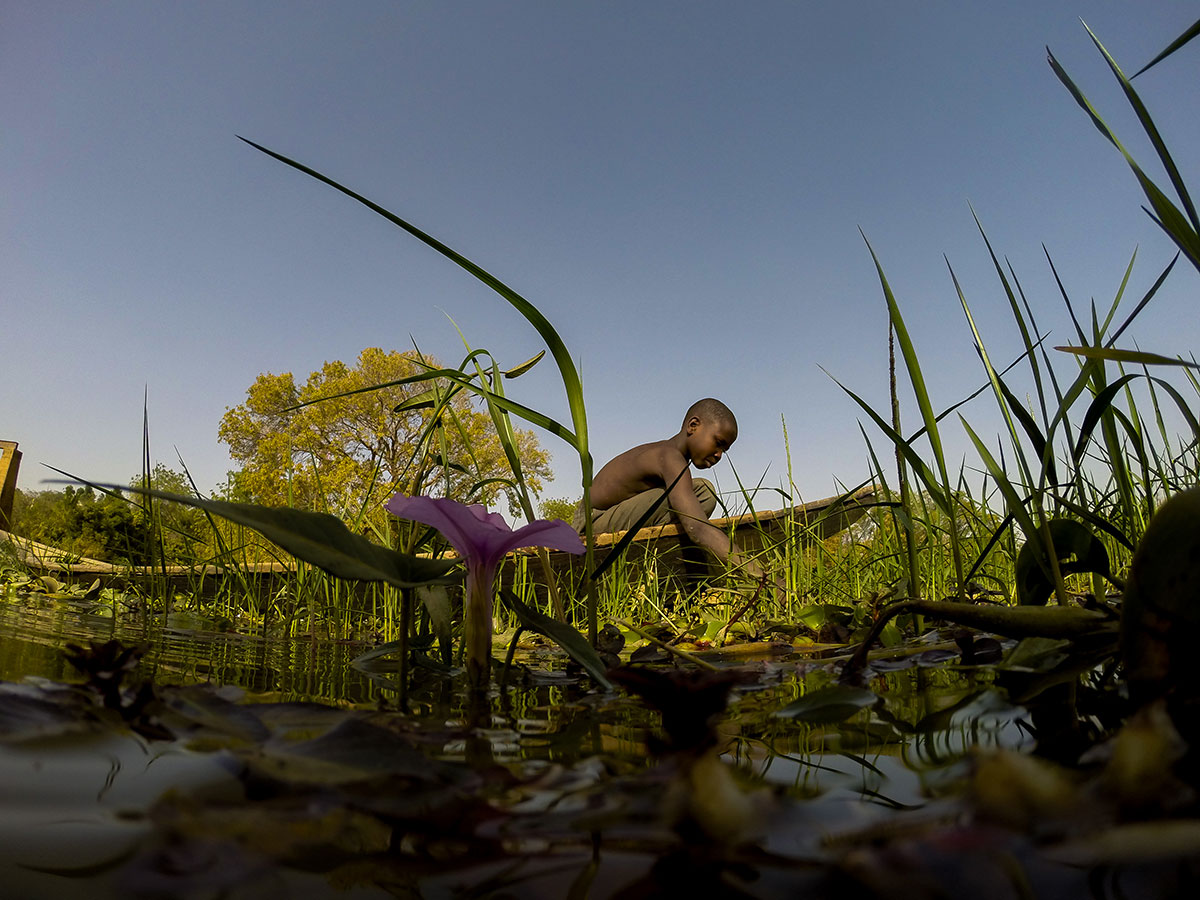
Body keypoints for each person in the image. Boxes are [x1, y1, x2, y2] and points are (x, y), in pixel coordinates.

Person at [575, 398, 781, 587]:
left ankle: (656, 567)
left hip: (607, 519)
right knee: (702, 493)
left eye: (724, 450)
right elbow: (698, 528)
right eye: (718, 443)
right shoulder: (670, 457)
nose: (719, 455)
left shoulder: (671, 457)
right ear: (693, 426)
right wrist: (766, 580)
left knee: (699, 492)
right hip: (591, 526)